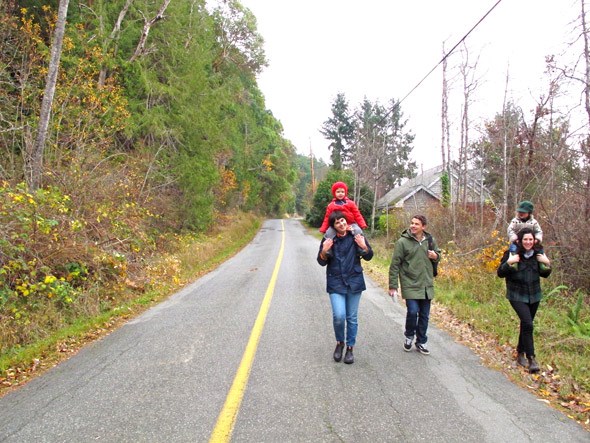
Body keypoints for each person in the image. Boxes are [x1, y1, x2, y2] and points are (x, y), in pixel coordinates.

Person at [317, 210, 373, 364]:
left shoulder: (356, 235)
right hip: (336, 282)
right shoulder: (329, 239)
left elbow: (369, 256)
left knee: (352, 318)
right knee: (339, 316)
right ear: (333, 226)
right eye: (337, 222)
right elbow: (321, 262)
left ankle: (350, 347)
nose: (341, 224)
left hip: (354, 282)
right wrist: (324, 250)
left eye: (343, 220)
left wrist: (364, 246)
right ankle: (340, 343)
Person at [497, 227, 551, 373]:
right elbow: (500, 273)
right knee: (528, 323)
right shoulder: (512, 253)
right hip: (516, 294)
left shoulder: (538, 254)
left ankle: (520, 352)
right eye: (525, 239)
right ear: (520, 241)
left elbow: (545, 274)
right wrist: (509, 263)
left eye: (531, 239)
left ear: (534, 241)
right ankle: (531, 358)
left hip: (534, 295)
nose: (528, 242)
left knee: (526, 325)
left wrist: (547, 263)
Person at [388, 215, 440, 355]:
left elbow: (438, 254)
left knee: (424, 315)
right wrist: (393, 286)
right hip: (409, 282)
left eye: (416, 224)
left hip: (426, 284)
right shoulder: (402, 242)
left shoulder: (430, 240)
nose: (413, 226)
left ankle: (421, 341)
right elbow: (395, 265)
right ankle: (409, 336)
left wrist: (436, 256)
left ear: (423, 227)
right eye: (412, 223)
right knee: (412, 311)